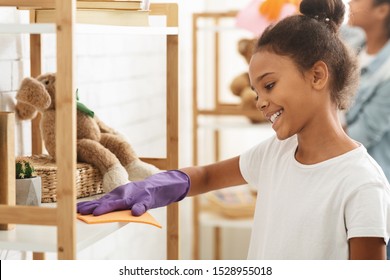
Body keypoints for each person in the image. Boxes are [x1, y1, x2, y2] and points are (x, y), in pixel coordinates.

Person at [77, 0, 390, 260]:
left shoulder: (361, 182)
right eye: (256, 92)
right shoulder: (276, 152)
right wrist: (152, 187)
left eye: (269, 85)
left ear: (317, 76)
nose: (261, 102)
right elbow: (208, 176)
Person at [341, 0, 390, 260]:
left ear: (383, 10)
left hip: (378, 185)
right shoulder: (355, 43)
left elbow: (361, 134)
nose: (351, 2)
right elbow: (328, 25)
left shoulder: (387, 71)